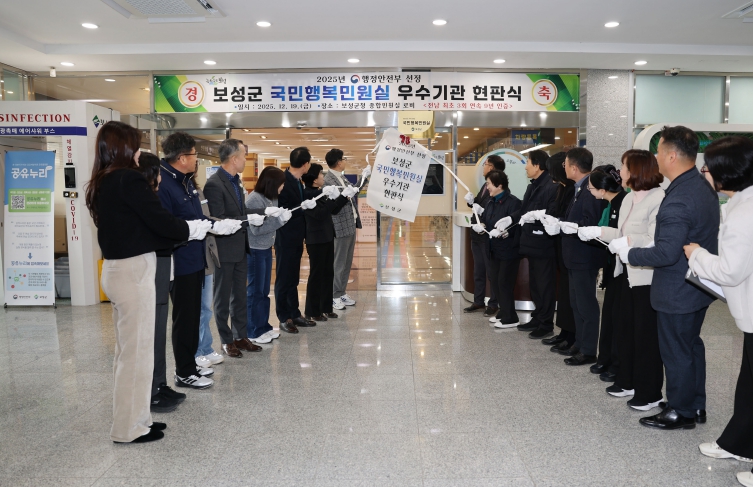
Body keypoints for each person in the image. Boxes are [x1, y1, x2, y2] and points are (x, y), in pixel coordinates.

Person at [85, 121, 203, 443]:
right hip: (133, 272)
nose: (140, 153)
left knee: (129, 352)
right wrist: (192, 229)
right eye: (136, 147)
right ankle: (129, 429)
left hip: (117, 270)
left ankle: (139, 419)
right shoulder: (129, 179)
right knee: (136, 354)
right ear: (124, 148)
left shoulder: (104, 179)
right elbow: (160, 220)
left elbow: (139, 227)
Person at [621, 125, 719, 430]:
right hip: (697, 284)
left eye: (659, 151)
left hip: (677, 289)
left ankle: (680, 411)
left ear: (672, 156)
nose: (656, 157)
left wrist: (630, 254)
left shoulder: (678, 198)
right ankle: (694, 403)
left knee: (676, 350)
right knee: (690, 345)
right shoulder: (699, 186)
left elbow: (666, 253)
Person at [683, 136, 753, 486]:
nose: (703, 173)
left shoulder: (744, 213)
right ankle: (738, 443)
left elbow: (730, 271)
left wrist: (696, 254)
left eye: (707, 168)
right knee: (749, 383)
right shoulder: (742, 203)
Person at [158, 132, 239, 389]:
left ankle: (191, 364)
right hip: (180, 262)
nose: (197, 160)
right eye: (194, 155)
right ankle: (183, 372)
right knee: (184, 319)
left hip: (196, 260)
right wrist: (195, 228)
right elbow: (168, 225)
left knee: (194, 317)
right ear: (182, 157)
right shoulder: (164, 184)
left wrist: (217, 225)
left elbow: (198, 217)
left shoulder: (187, 182)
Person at [585, 151, 665, 409]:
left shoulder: (658, 198)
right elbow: (620, 233)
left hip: (646, 277)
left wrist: (627, 241)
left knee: (645, 336)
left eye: (624, 166)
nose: (619, 171)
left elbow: (655, 239)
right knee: (625, 330)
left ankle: (650, 393)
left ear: (637, 170)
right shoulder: (629, 197)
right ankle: (627, 380)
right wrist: (598, 231)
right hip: (625, 273)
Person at [134, 153, 188, 414]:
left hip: (165, 268)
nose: (160, 178)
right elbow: (161, 231)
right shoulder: (141, 201)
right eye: (157, 173)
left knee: (159, 333)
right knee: (151, 334)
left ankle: (160, 383)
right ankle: (151, 391)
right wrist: (186, 231)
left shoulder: (151, 197)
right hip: (150, 270)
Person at [204, 139, 266, 358]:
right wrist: (249, 220)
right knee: (222, 298)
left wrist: (263, 213)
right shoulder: (214, 184)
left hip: (240, 247)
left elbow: (240, 212)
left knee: (240, 296)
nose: (245, 160)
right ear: (233, 158)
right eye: (244, 156)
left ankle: (241, 336)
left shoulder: (236, 182)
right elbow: (220, 219)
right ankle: (226, 340)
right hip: (224, 249)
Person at [548, 148, 606, 366]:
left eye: (565, 164)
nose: (563, 168)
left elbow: (590, 223)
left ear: (574, 167)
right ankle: (580, 343)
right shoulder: (578, 188)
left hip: (584, 257)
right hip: (573, 256)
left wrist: (567, 225)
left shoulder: (590, 189)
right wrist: (560, 223)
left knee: (586, 304)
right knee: (576, 303)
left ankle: (588, 349)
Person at [497, 150, 558, 339]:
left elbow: (552, 214)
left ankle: (546, 324)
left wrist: (537, 217)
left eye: (528, 163)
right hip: (530, 244)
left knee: (544, 285)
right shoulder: (533, 186)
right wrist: (510, 218)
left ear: (538, 165)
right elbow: (524, 210)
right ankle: (537, 317)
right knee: (536, 285)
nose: (526, 167)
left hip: (544, 245)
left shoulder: (551, 186)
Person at [577, 165, 626, 379]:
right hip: (611, 265)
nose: (589, 191)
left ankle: (616, 363)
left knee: (617, 317)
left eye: (591, 188)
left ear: (602, 189)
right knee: (608, 316)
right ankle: (604, 358)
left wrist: (598, 232)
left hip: (624, 267)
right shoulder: (610, 204)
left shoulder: (623, 202)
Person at [301, 163, 352, 321]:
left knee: (328, 273)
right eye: (320, 174)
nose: (323, 177)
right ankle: (313, 311)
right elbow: (320, 214)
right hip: (316, 240)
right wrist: (330, 198)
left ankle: (326, 307)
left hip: (328, 236)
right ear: (314, 179)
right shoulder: (308, 195)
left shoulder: (319, 192)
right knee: (317, 275)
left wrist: (343, 197)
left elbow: (333, 210)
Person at [275, 147, 318, 333]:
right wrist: (302, 209)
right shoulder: (283, 180)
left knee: (293, 277)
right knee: (284, 279)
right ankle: (284, 317)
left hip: (297, 237)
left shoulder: (297, 181)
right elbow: (284, 209)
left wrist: (318, 195)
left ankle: (294, 313)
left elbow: (300, 200)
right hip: (285, 237)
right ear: (305, 164)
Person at [245, 166, 290, 344]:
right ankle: (252, 330)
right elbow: (256, 230)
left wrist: (280, 218)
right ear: (272, 183)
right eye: (281, 184)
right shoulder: (254, 199)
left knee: (264, 291)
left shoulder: (272, 198)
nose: (282, 187)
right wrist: (280, 221)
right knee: (255, 291)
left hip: (266, 248)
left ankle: (263, 326)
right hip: (255, 249)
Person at [322, 149, 371, 311]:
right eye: (344, 159)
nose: (345, 161)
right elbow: (335, 205)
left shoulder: (341, 177)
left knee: (347, 262)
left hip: (350, 225)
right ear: (338, 162)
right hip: (340, 227)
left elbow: (353, 190)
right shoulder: (328, 181)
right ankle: (334, 295)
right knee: (339, 262)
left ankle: (341, 291)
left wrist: (364, 177)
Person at [473, 170, 522, 328]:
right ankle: (503, 312)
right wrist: (481, 226)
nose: (487, 187)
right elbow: (487, 219)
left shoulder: (513, 202)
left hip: (508, 250)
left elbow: (518, 224)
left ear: (499, 185)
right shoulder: (490, 202)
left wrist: (506, 232)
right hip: (493, 249)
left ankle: (511, 317)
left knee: (504, 283)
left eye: (489, 184)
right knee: (495, 281)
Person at [542, 152, 577, 352]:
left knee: (571, 296)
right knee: (563, 293)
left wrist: (557, 221)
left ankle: (571, 335)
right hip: (561, 248)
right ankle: (563, 331)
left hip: (571, 249)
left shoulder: (572, 189)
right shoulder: (562, 188)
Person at [463, 154, 506, 316]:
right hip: (476, 235)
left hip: (487, 235)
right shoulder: (485, 185)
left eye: (486, 164)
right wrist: (471, 202)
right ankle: (478, 301)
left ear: (492, 167)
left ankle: (493, 303)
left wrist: (482, 215)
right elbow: (479, 205)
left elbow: (493, 209)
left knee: (491, 271)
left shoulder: (498, 186)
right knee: (478, 270)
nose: (483, 167)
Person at [192, 171, 224, 368]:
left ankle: (205, 347)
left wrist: (221, 224)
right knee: (196, 309)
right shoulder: (177, 190)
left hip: (207, 255)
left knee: (206, 308)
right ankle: (196, 351)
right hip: (192, 257)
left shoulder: (197, 190)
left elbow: (206, 216)